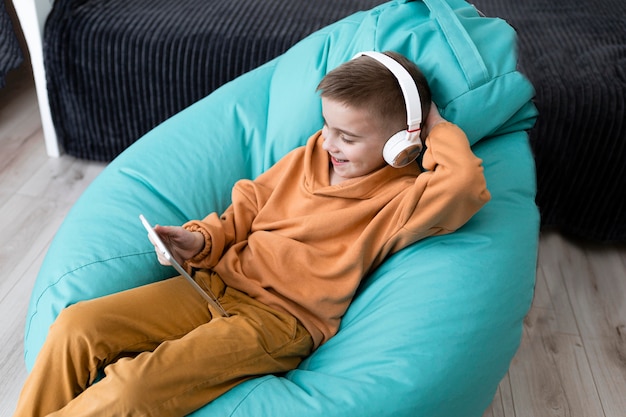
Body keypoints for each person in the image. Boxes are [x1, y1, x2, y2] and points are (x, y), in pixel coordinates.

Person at [14, 51, 490, 417]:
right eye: (327, 127)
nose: (330, 143)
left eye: (347, 136)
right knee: (77, 327)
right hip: (213, 284)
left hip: (277, 322)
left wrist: (430, 123)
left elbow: (466, 183)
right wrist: (198, 241)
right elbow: (247, 206)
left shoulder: (401, 200)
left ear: (400, 141)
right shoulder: (309, 155)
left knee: (132, 385)